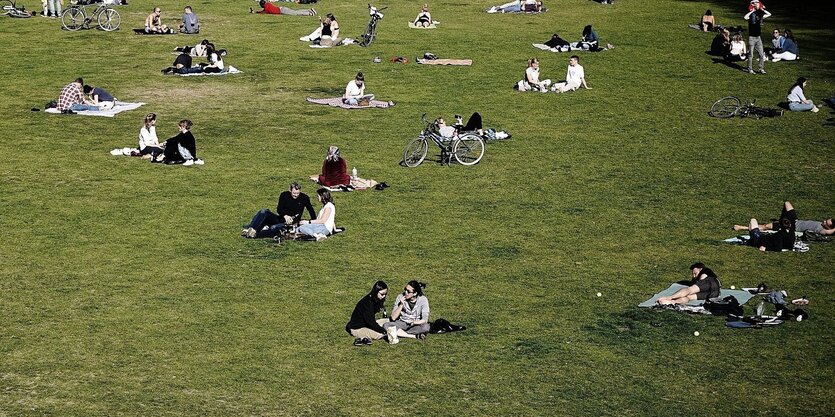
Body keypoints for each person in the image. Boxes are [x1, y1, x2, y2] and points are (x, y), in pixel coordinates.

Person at [241, 182, 317, 238]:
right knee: (264, 211)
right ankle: (252, 229)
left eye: (298, 193)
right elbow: (279, 209)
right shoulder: (284, 195)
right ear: (290, 190)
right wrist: (285, 216)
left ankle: (256, 234)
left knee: (273, 228)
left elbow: (310, 210)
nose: (296, 195)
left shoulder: (304, 198)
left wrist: (314, 222)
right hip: (280, 218)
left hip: (291, 223)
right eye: (294, 193)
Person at [734, 201, 833, 235]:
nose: (823, 221)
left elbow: (829, 232)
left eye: (825, 223)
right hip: (795, 220)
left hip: (791, 226)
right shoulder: (822, 226)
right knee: (787, 203)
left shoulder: (822, 230)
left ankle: (743, 227)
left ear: (829, 228)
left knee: (765, 227)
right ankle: (781, 220)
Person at [345, 281, 390, 346]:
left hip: (367, 324)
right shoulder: (368, 303)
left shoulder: (375, 299)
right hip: (357, 328)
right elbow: (371, 322)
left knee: (387, 321)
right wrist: (383, 331)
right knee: (380, 335)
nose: (384, 296)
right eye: (382, 294)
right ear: (376, 291)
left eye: (385, 294)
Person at [656, 263, 721, 305]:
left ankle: (670, 298)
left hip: (710, 283)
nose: (694, 276)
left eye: (695, 273)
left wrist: (697, 284)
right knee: (689, 297)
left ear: (700, 268)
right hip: (715, 293)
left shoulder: (705, 270)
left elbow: (703, 278)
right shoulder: (702, 275)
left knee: (689, 290)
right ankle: (673, 302)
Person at [743, 1, 771, 74]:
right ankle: (750, 69)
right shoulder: (750, 15)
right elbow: (745, 17)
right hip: (751, 38)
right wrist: (752, 11)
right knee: (751, 55)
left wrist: (762, 9)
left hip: (758, 38)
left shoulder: (760, 15)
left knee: (761, 54)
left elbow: (769, 14)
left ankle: (761, 69)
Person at [251, 0, 316, 16]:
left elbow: (263, 12)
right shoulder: (267, 4)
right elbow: (263, 10)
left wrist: (255, 12)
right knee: (295, 11)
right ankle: (309, 10)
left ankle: (309, 13)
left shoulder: (266, 8)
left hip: (282, 11)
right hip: (282, 8)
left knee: (296, 13)